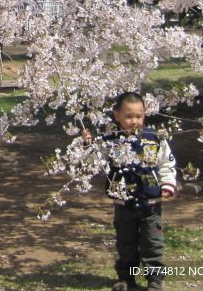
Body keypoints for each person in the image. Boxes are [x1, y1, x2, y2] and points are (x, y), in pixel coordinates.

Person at [83, 92, 177, 291]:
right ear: (117, 116)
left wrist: (168, 185)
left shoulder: (154, 139)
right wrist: (88, 144)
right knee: (126, 243)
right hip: (123, 202)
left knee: (153, 242)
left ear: (145, 115)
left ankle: (154, 280)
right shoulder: (110, 140)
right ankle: (127, 278)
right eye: (128, 116)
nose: (134, 121)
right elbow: (94, 161)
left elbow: (166, 164)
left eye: (139, 116)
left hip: (151, 202)